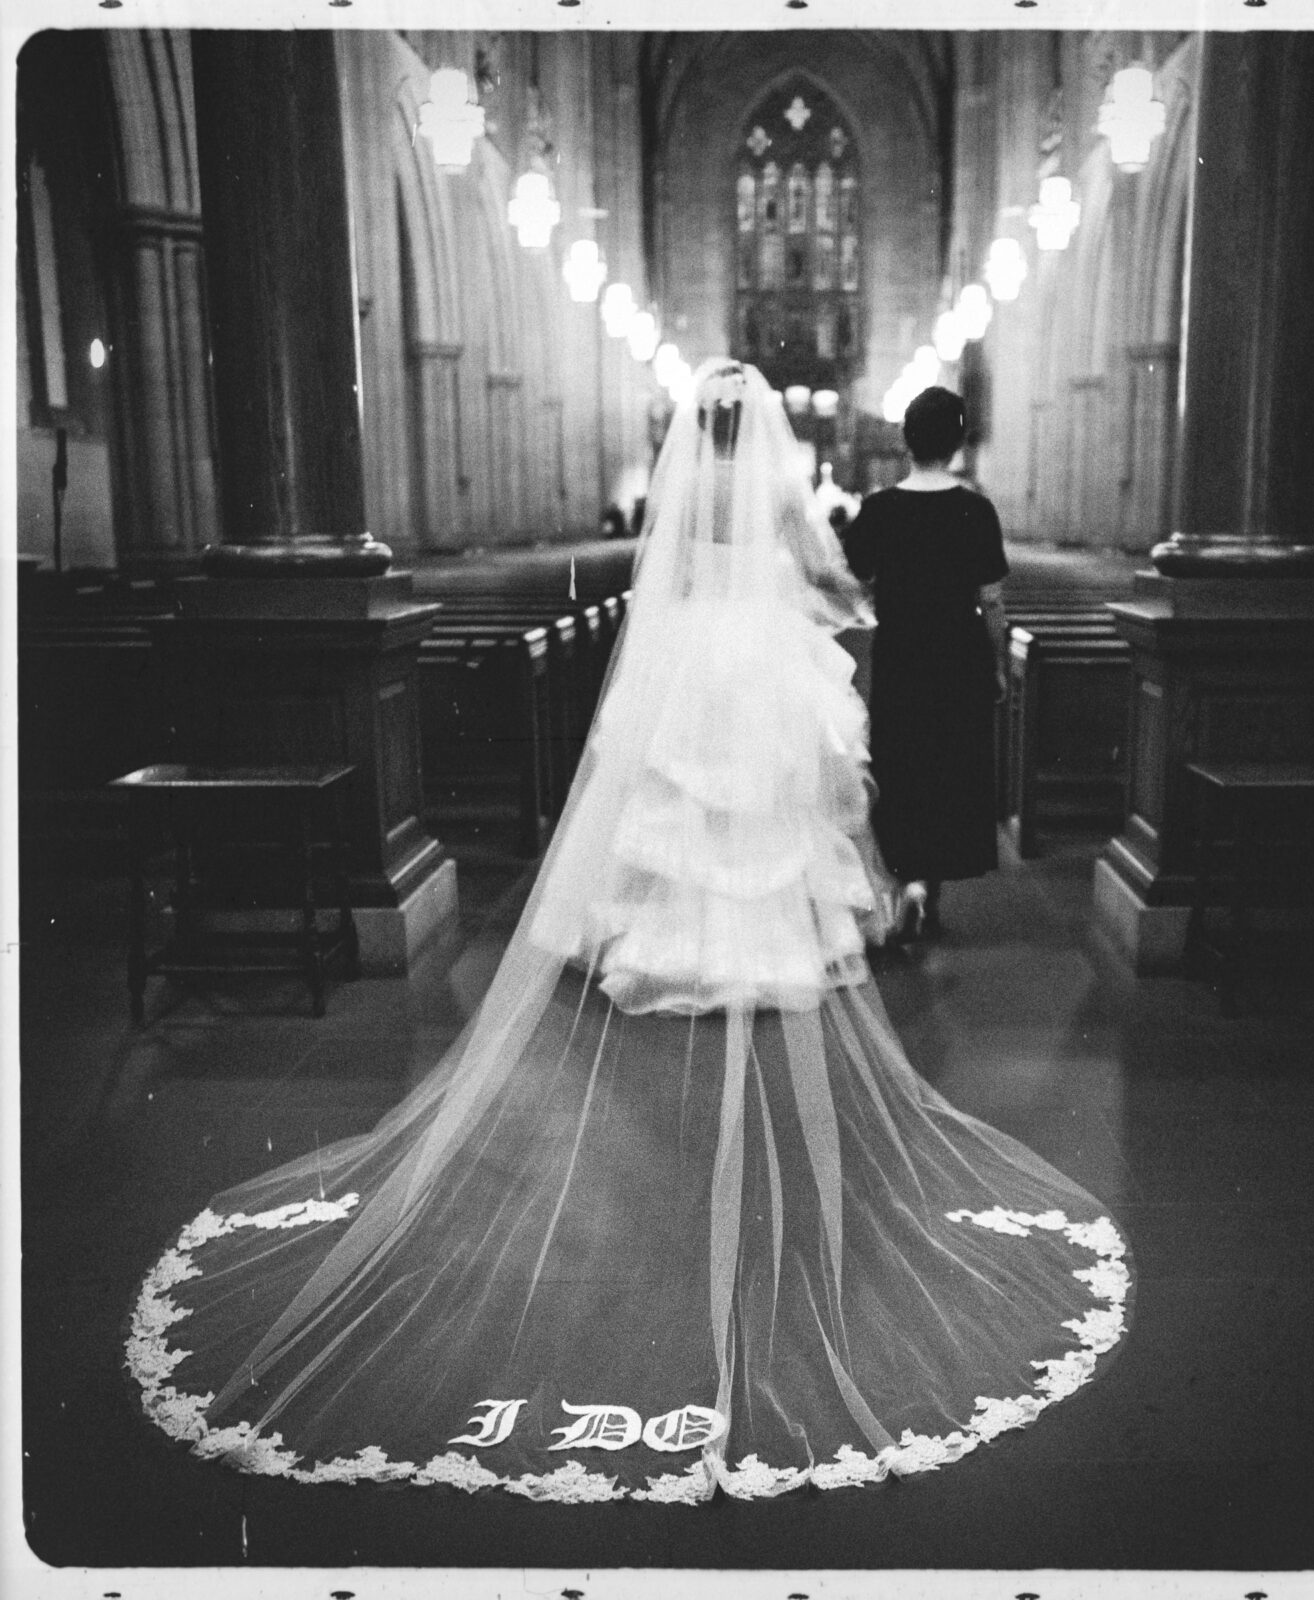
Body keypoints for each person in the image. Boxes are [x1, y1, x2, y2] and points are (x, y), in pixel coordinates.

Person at [126, 361, 1129, 1506]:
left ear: (689, 427)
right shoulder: (773, 487)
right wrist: (834, 605)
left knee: (676, 799)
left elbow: (670, 582)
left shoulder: (681, 492)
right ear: (757, 433)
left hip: (693, 655)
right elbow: (820, 569)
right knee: (761, 800)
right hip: (759, 655)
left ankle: (669, 949)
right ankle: (763, 949)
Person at [844, 386, 1008, 938]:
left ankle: (906, 880)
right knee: (947, 765)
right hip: (958, 653)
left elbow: (853, 577)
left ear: (905, 440)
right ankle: (929, 890)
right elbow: (991, 597)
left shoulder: (880, 507)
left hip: (902, 653)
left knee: (902, 761)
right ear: (958, 442)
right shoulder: (976, 508)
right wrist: (998, 661)